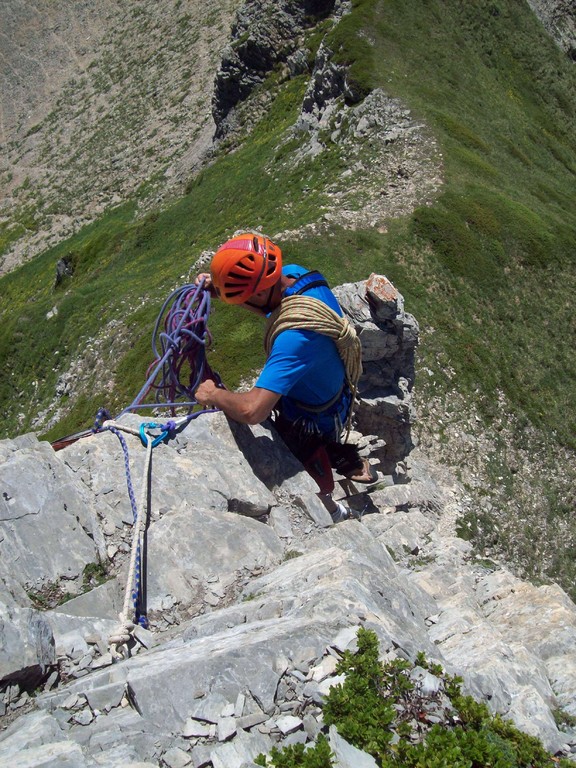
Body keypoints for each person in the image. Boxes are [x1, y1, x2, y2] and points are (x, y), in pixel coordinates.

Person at [194, 232, 376, 522]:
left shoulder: (296, 339)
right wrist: (219, 289)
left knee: (314, 464)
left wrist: (212, 394)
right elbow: (272, 306)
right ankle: (354, 464)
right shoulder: (296, 277)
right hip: (328, 395)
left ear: (260, 292)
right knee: (332, 444)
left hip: (311, 417)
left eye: (243, 297)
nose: (240, 303)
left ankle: (335, 510)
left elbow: (252, 410)